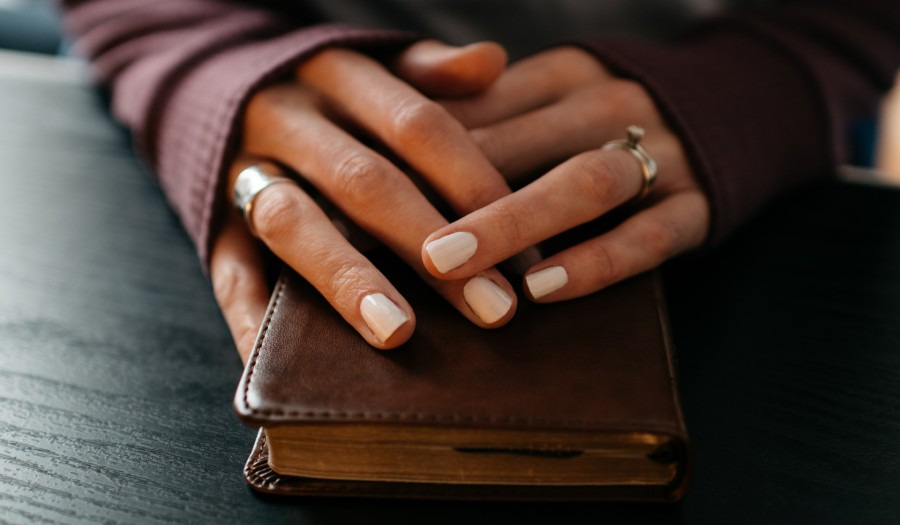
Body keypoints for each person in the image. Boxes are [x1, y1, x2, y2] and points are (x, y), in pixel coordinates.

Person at [58, 0, 900, 358]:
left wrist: (751, 97)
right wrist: (211, 78)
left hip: (721, 211)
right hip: (294, 143)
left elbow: (859, 17)